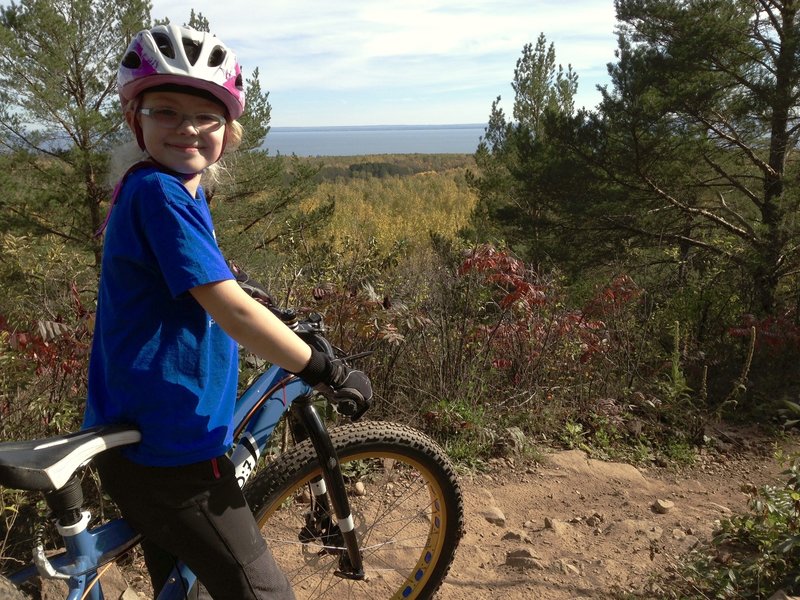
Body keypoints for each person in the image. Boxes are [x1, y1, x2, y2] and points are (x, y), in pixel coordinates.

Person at [83, 24, 372, 600]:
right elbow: (233, 316)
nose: (187, 127)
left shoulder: (163, 185)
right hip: (174, 450)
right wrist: (323, 368)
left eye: (205, 116)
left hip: (134, 431)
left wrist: (238, 284)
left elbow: (199, 278)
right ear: (132, 118)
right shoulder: (164, 195)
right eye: (166, 110)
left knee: (183, 583)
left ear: (229, 132)